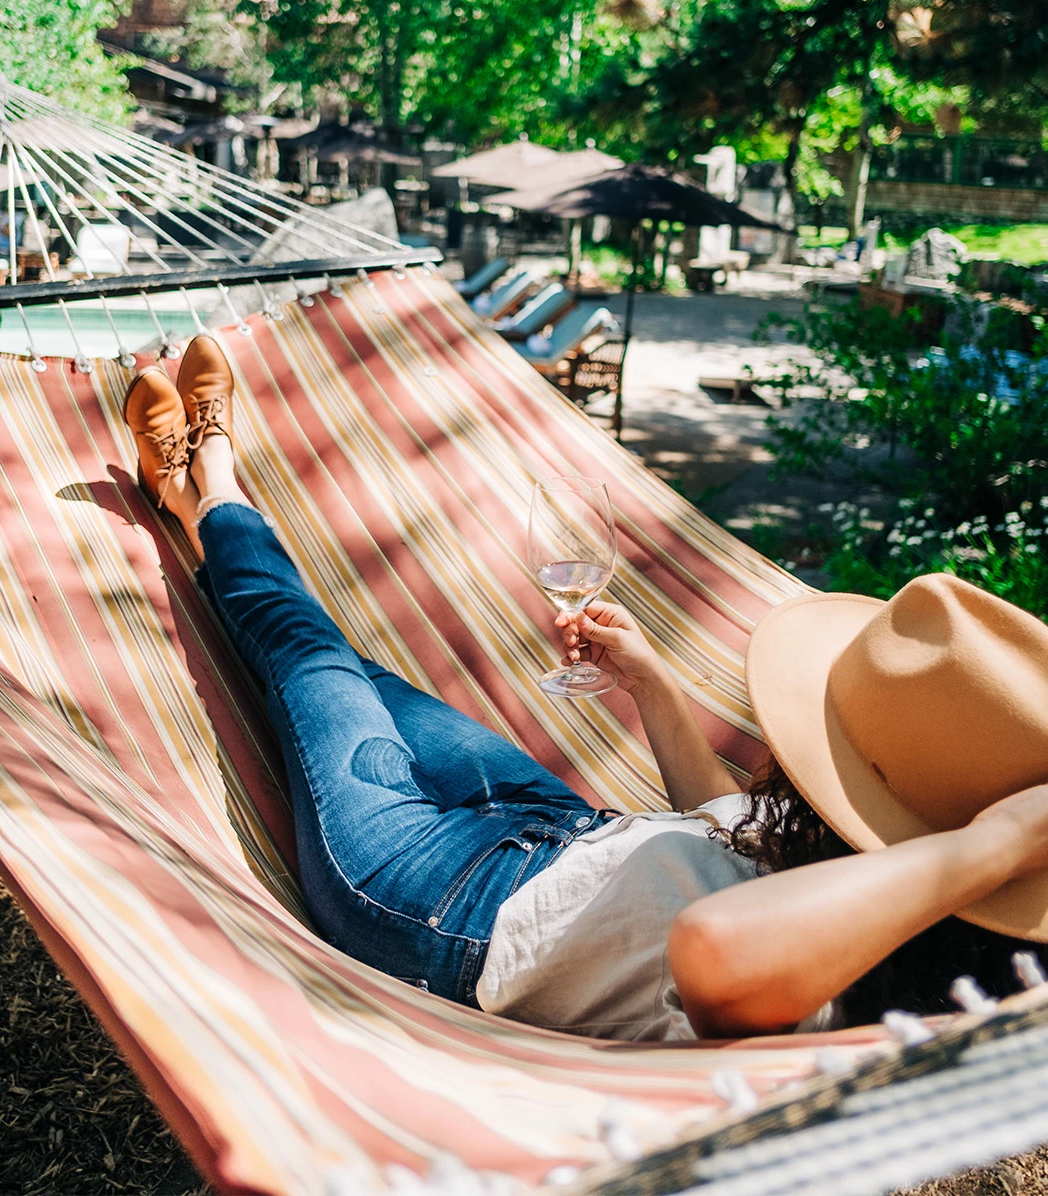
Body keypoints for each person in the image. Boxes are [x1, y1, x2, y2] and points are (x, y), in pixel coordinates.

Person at [124, 340, 1048, 1041]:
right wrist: (651, 686)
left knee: (304, 651)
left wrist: (995, 843)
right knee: (346, 670)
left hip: (434, 899)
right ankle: (194, 504)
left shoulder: (846, 982)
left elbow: (718, 943)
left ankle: (211, 475)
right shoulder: (847, 875)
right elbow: (727, 836)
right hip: (562, 830)